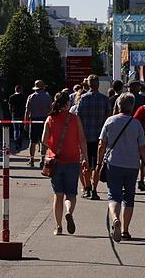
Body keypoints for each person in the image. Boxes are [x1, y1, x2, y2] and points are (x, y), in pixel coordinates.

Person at [96, 93, 145, 242]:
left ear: (118, 105)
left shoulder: (110, 121)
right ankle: (126, 230)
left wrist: (98, 163)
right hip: (132, 165)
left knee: (114, 195)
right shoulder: (136, 124)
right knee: (129, 197)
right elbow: (143, 148)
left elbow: (101, 144)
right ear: (132, 107)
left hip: (113, 163)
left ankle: (115, 218)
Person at [40, 91, 87, 235]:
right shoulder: (75, 119)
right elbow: (82, 140)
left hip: (55, 162)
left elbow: (43, 140)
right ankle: (69, 212)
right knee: (71, 195)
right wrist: (85, 158)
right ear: (68, 104)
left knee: (58, 195)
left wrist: (53, 147)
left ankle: (58, 226)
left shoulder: (50, 119)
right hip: (72, 161)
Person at [76, 74, 111, 199]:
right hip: (99, 138)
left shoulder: (83, 99)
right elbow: (108, 118)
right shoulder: (104, 99)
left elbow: (77, 117)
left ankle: (87, 188)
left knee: (85, 163)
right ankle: (95, 190)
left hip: (85, 138)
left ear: (89, 84)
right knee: (97, 164)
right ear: (98, 84)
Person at [24, 80, 53, 168]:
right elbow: (51, 109)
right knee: (44, 141)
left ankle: (32, 159)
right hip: (44, 120)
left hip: (34, 120)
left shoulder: (31, 97)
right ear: (43, 87)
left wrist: (26, 122)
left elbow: (27, 111)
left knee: (32, 141)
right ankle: (42, 160)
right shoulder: (48, 97)